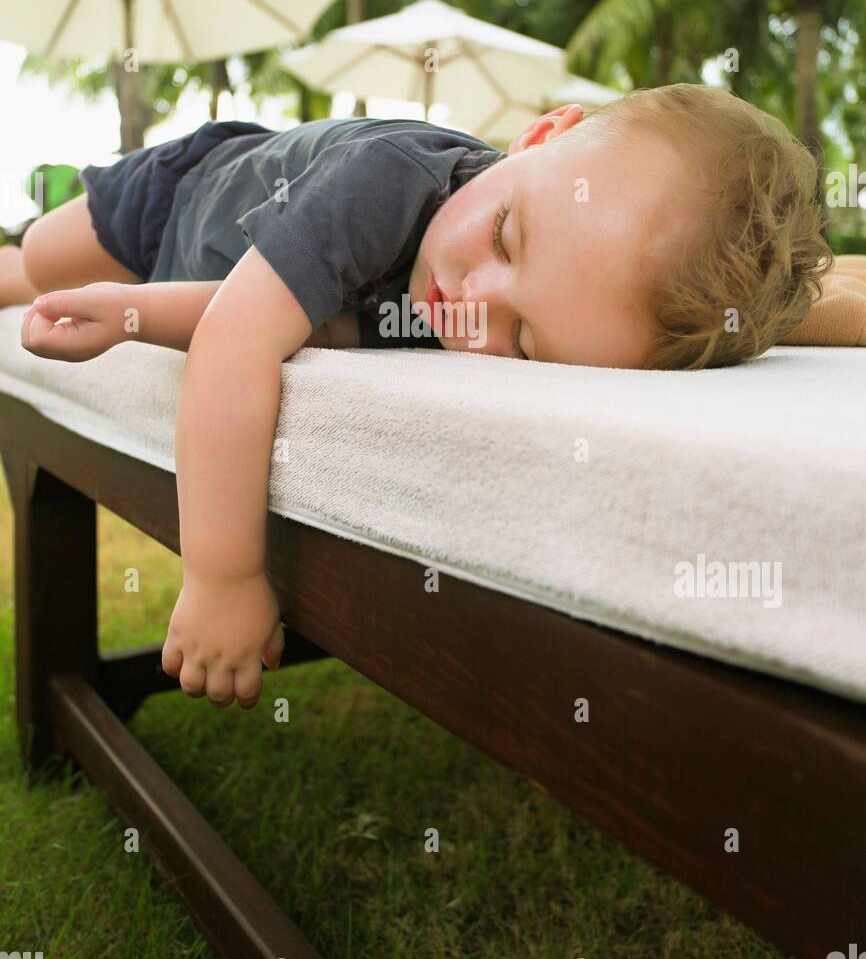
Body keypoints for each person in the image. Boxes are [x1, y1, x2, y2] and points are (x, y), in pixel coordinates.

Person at [0, 84, 832, 709]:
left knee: (75, 287)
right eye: (507, 234)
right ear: (541, 135)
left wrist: (138, 310)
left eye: (525, 341)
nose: (475, 301)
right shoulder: (384, 184)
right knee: (43, 258)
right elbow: (240, 338)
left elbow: (313, 324)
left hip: (214, 273)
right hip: (183, 193)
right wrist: (225, 575)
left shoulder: (462, 299)